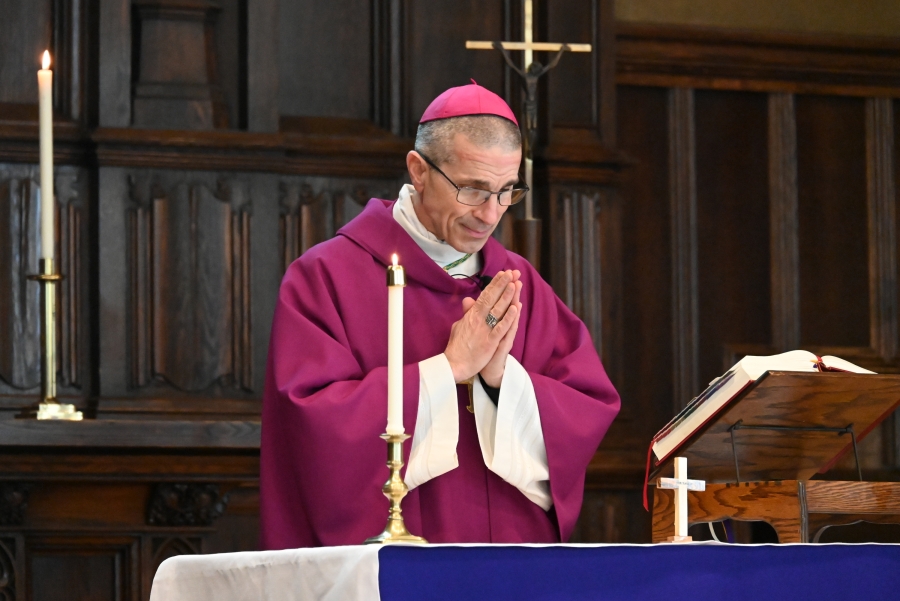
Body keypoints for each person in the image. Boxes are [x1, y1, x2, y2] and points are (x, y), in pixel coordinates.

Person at [260, 82, 620, 548]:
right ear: (419, 170)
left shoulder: (518, 283)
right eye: (472, 190)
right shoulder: (327, 277)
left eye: (507, 191)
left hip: (507, 563)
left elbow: (586, 408)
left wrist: (500, 380)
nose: (491, 214)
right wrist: (447, 370)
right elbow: (311, 426)